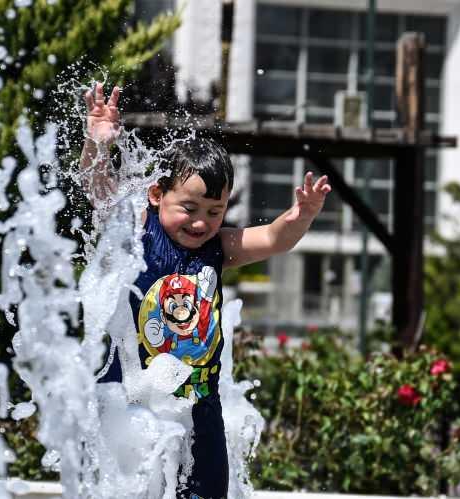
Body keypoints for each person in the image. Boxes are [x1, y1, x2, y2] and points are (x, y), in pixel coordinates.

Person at [80, 83, 332, 499]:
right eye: (189, 209)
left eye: (216, 211)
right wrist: (98, 144)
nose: (202, 222)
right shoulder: (135, 232)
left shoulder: (220, 248)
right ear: (157, 194)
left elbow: (274, 239)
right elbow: (100, 193)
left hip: (199, 407)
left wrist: (301, 216)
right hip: (133, 404)